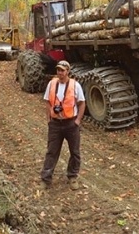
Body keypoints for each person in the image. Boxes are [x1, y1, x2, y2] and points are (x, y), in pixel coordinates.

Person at [40, 60, 86, 190]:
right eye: (58, 70)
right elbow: (48, 101)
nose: (59, 73)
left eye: (62, 70)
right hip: (55, 124)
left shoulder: (75, 85)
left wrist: (77, 121)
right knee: (51, 151)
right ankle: (46, 178)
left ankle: (72, 176)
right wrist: (49, 119)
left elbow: (82, 103)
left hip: (71, 124)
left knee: (75, 152)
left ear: (68, 72)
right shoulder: (51, 83)